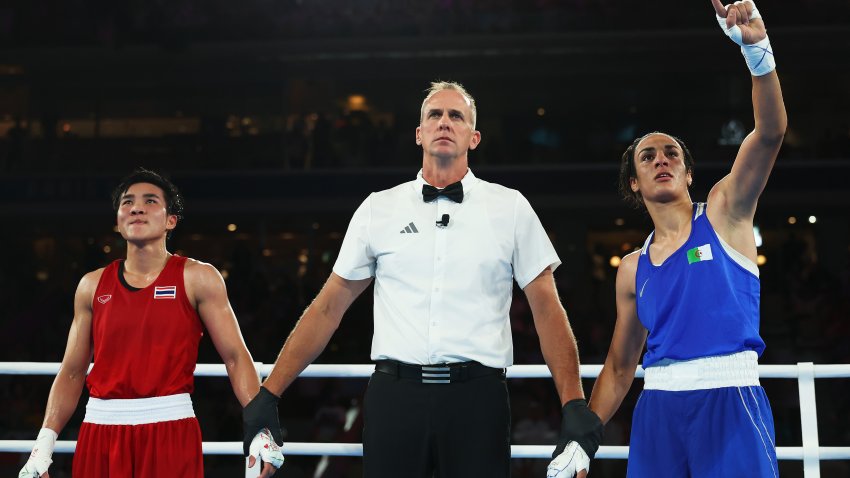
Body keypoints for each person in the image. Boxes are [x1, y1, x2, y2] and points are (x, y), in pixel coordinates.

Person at [242, 81, 603, 478]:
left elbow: (548, 309)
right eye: (434, 115)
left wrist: (573, 404)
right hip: (394, 396)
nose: (444, 123)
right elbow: (328, 306)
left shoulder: (510, 207)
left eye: (456, 116)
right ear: (419, 133)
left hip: (477, 399)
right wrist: (269, 393)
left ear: (474, 137)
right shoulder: (378, 208)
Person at [569, 1, 786, 476]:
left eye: (672, 153)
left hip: (730, 399)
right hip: (659, 410)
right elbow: (621, 366)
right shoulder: (631, 267)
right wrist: (584, 439)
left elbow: (769, 135)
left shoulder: (726, 213)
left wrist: (758, 55)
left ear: (689, 174)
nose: (661, 159)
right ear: (634, 182)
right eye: (648, 156)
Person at [19, 168, 283, 477]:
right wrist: (44, 442)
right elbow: (73, 370)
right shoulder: (91, 286)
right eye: (127, 202)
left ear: (171, 220)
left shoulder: (198, 277)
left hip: (170, 428)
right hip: (100, 430)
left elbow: (237, 357)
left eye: (150, 201)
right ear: (118, 222)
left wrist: (259, 429)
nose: (137, 207)